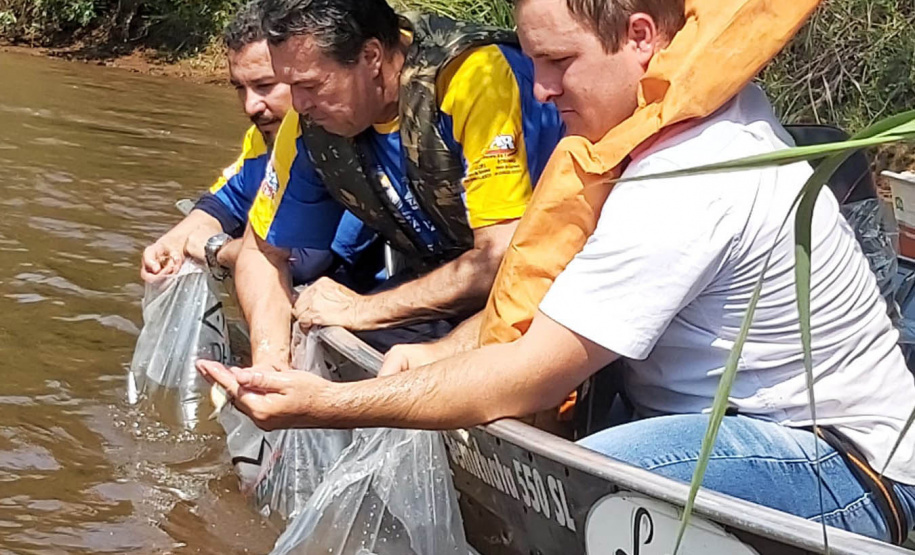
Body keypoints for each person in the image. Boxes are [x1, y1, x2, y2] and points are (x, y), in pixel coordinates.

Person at [198, 0, 915, 543]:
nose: (537, 89)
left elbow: (530, 371)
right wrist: (433, 359)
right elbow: (543, 319)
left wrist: (322, 403)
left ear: (640, 39)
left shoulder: (691, 169)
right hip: (714, 422)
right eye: (533, 62)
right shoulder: (643, 136)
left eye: (557, 63)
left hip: (843, 464)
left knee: (574, 491)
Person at [232, 0, 565, 363]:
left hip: (549, 286)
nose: (299, 103)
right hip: (444, 283)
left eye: (310, 85)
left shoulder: (473, 78)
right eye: (290, 85)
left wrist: (364, 309)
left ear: (372, 56)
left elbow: (498, 259)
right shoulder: (307, 124)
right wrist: (270, 362)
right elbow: (261, 252)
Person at [140, 2, 372, 285]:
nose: (251, 106)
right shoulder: (265, 137)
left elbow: (302, 261)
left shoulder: (341, 137)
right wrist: (173, 241)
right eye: (240, 88)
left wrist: (217, 248)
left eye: (265, 86)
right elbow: (225, 202)